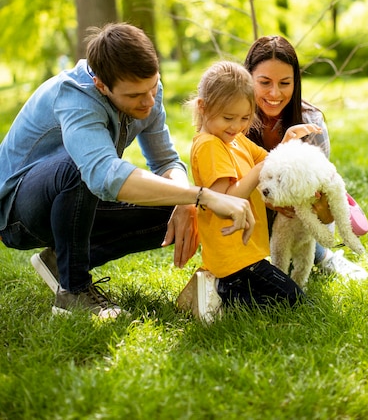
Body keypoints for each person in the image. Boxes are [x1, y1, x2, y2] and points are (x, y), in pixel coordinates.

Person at [0, 23, 254, 318]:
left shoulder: (148, 90)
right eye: (135, 95)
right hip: (18, 213)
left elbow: (166, 162)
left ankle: (62, 262)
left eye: (152, 87)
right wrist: (202, 195)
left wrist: (186, 202)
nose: (149, 101)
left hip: (77, 197)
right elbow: (103, 173)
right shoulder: (75, 97)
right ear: (102, 86)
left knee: (173, 209)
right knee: (78, 166)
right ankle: (74, 291)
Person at [187, 60, 321, 316]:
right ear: (203, 108)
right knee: (294, 301)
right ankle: (223, 296)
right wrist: (258, 172)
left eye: (245, 118)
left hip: (247, 256)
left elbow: (267, 160)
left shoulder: (235, 140)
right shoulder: (209, 146)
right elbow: (226, 202)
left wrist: (287, 143)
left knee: (290, 298)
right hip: (234, 260)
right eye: (228, 118)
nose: (237, 127)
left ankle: (229, 293)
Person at [243, 35, 368, 280]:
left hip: (298, 216)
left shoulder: (310, 122)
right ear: (248, 80)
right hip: (248, 211)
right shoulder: (234, 119)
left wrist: (314, 205)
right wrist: (263, 200)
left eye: (285, 83)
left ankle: (322, 257)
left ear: (296, 82)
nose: (275, 93)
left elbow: (323, 205)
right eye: (264, 82)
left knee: (298, 224)